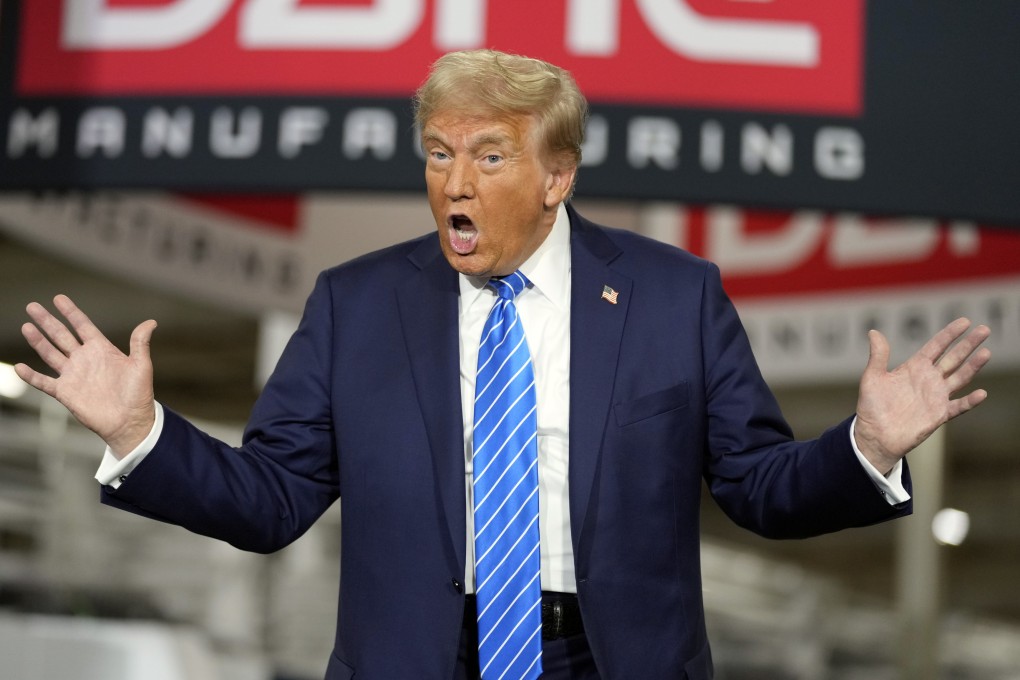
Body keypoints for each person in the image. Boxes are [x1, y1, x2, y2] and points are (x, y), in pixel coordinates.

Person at [15, 50, 991, 680]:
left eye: (487, 156)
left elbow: (758, 487)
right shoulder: (356, 304)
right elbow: (269, 499)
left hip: (610, 659)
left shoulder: (672, 296)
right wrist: (139, 433)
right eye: (437, 154)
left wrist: (863, 446)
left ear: (556, 175)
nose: (453, 182)